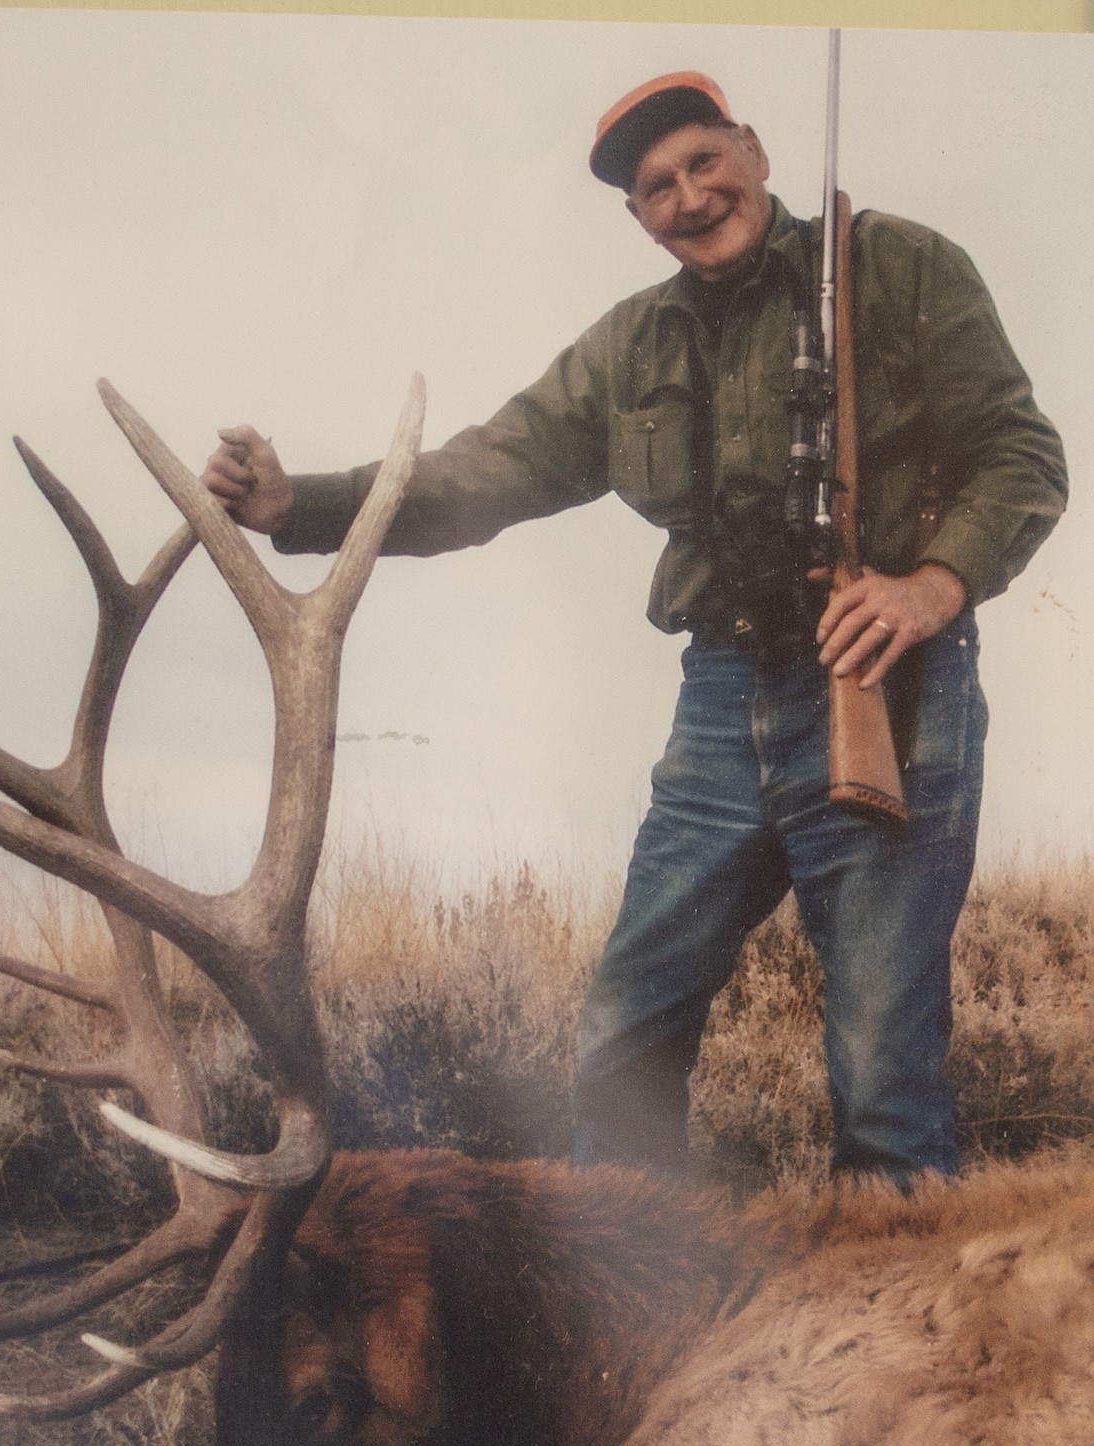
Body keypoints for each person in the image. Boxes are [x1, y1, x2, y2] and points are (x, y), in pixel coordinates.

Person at [202, 72, 1066, 1186]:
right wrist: (296, 506)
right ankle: (640, 1319)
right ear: (637, 217)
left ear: (752, 150)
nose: (691, 195)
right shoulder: (630, 347)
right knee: (623, 1036)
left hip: (888, 688)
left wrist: (929, 589)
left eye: (705, 161)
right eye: (658, 187)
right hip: (721, 704)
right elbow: (484, 471)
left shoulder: (899, 268)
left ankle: (900, 1348)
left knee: (882, 1071)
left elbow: (1021, 456)